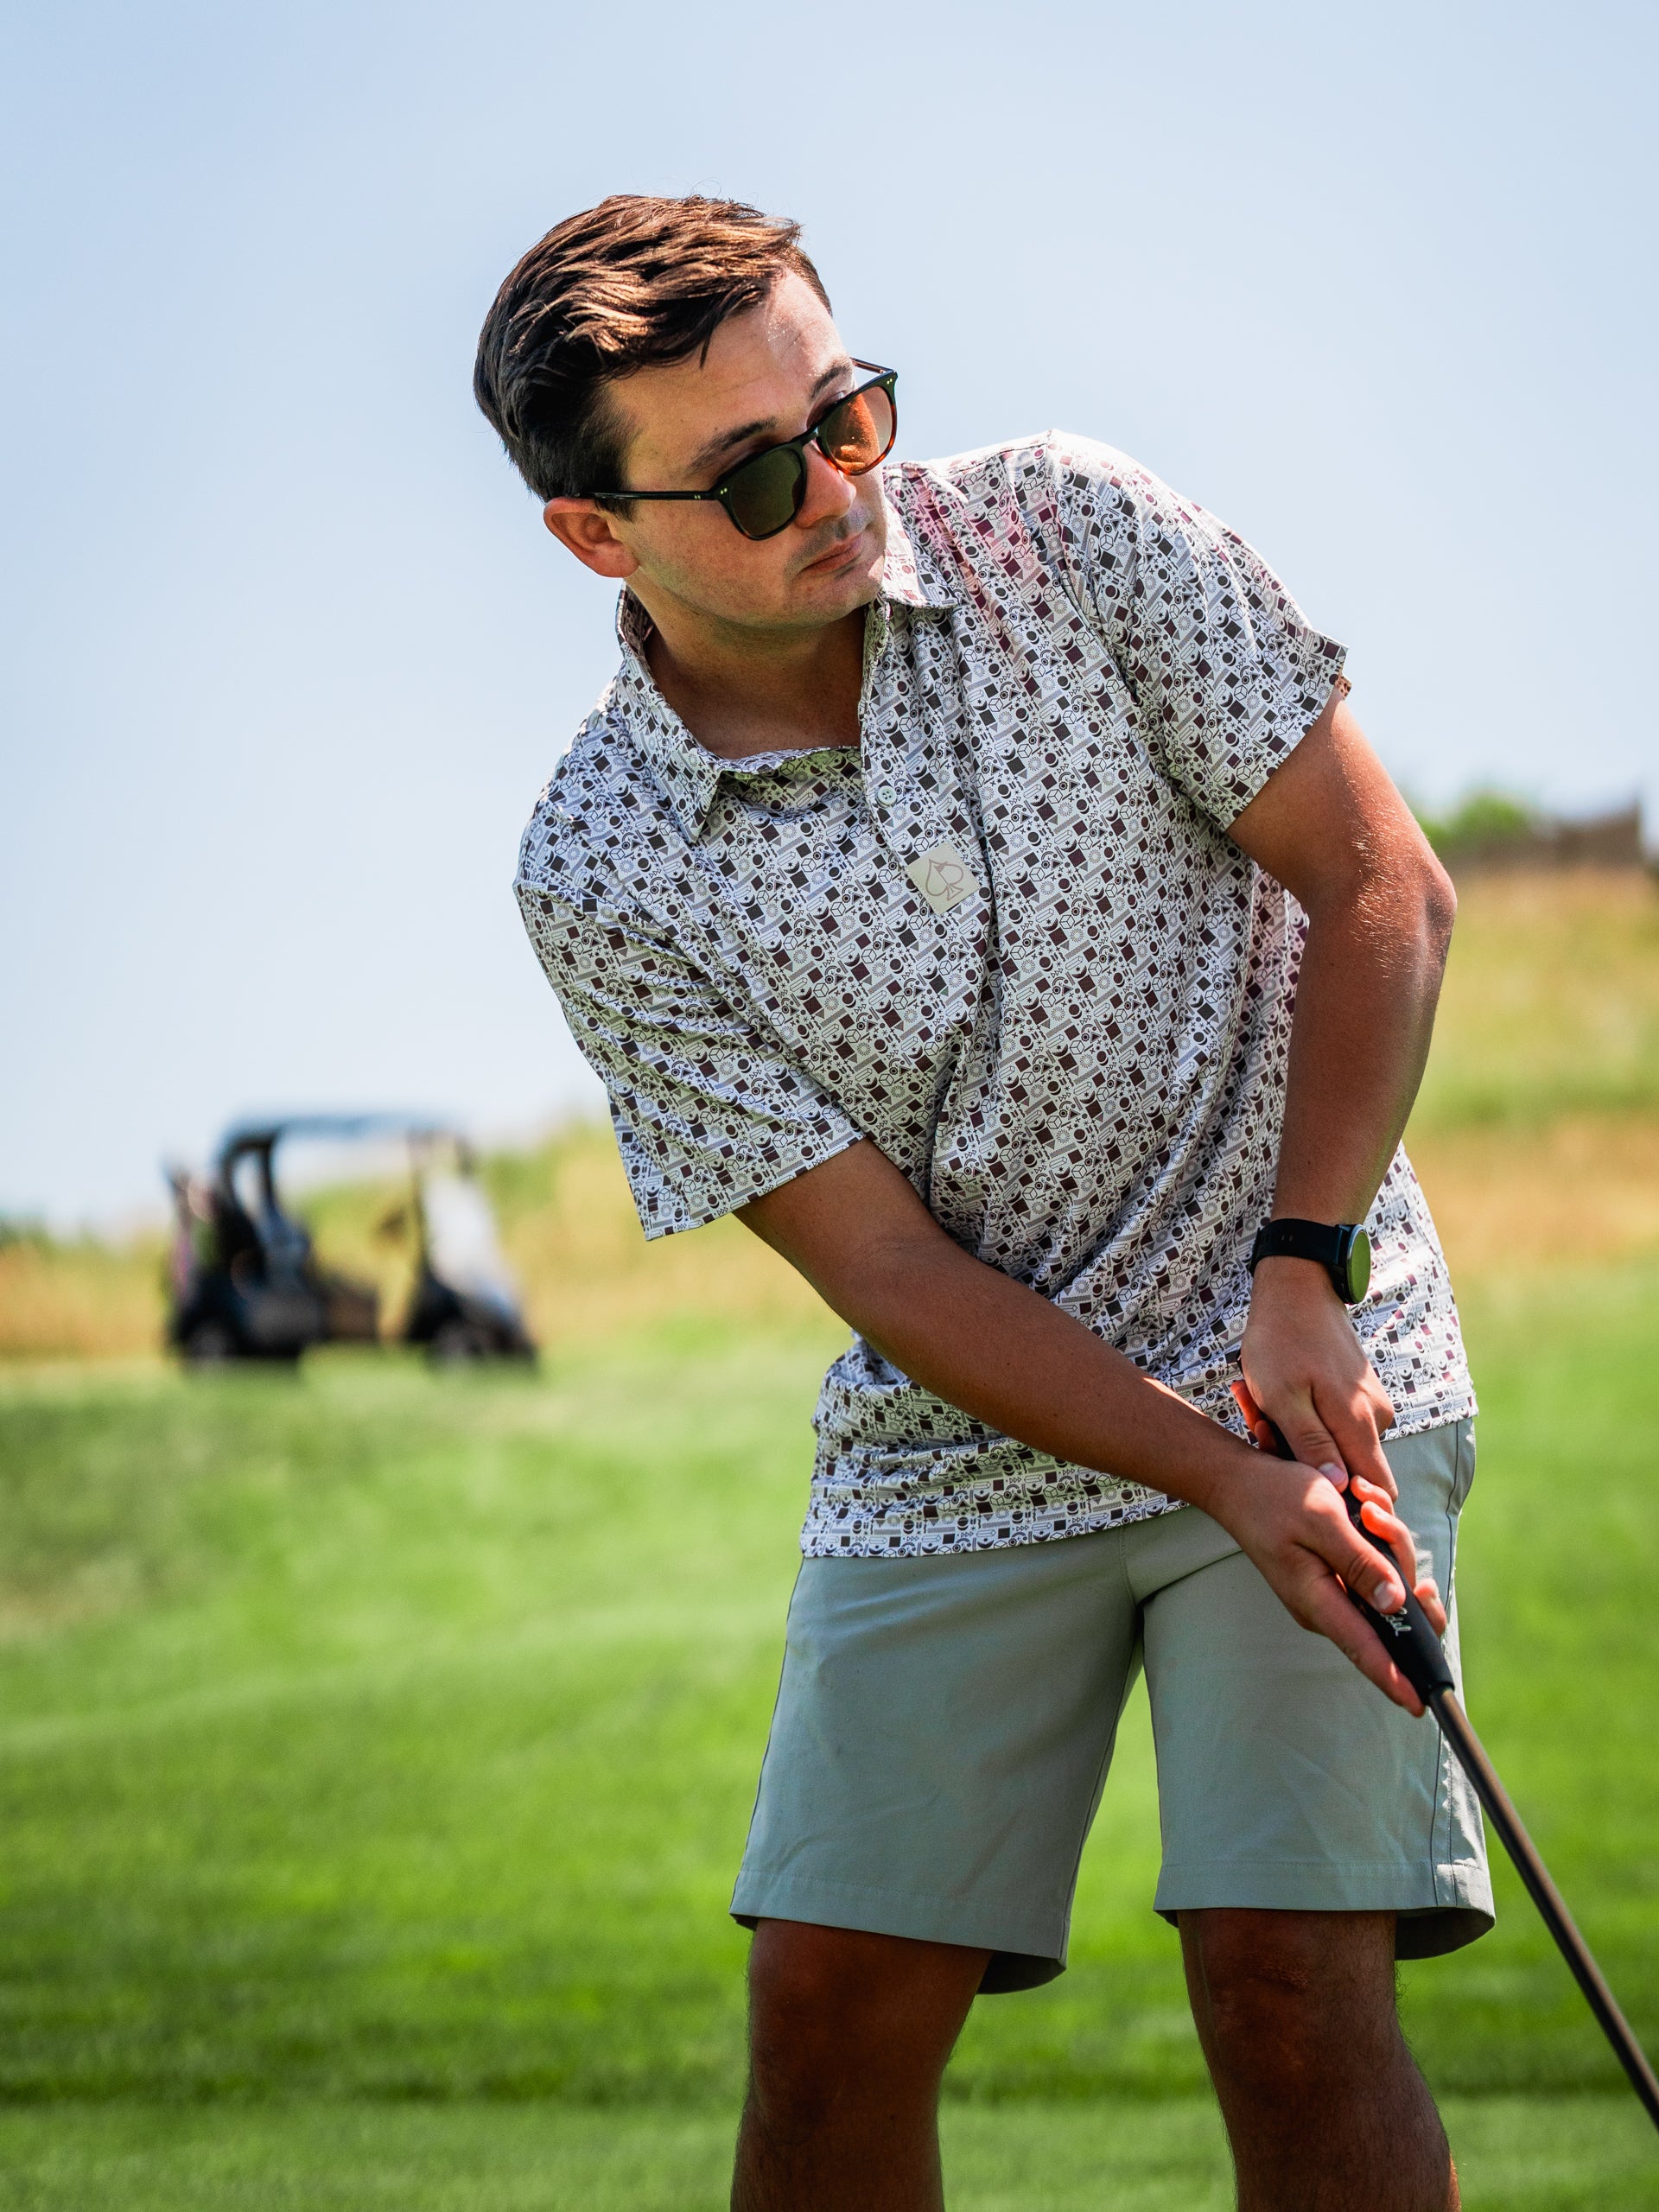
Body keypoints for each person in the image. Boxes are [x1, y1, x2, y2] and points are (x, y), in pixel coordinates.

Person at [474, 194, 1491, 2212]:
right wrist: (1206, 1476)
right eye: (755, 474)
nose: (836, 488)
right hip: (963, 1439)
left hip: (1307, 1344)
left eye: (846, 412)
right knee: (830, 2033)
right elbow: (884, 1266)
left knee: (1287, 1980)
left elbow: (1385, 886)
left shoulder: (1070, 528)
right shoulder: (598, 859)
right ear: (600, 536)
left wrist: (1307, 1273)